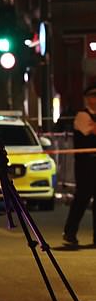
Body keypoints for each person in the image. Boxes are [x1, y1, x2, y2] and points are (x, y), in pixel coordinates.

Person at [63, 84, 96, 246]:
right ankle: (70, 232)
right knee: (82, 198)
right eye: (93, 97)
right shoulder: (83, 115)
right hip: (86, 164)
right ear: (87, 99)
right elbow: (93, 131)